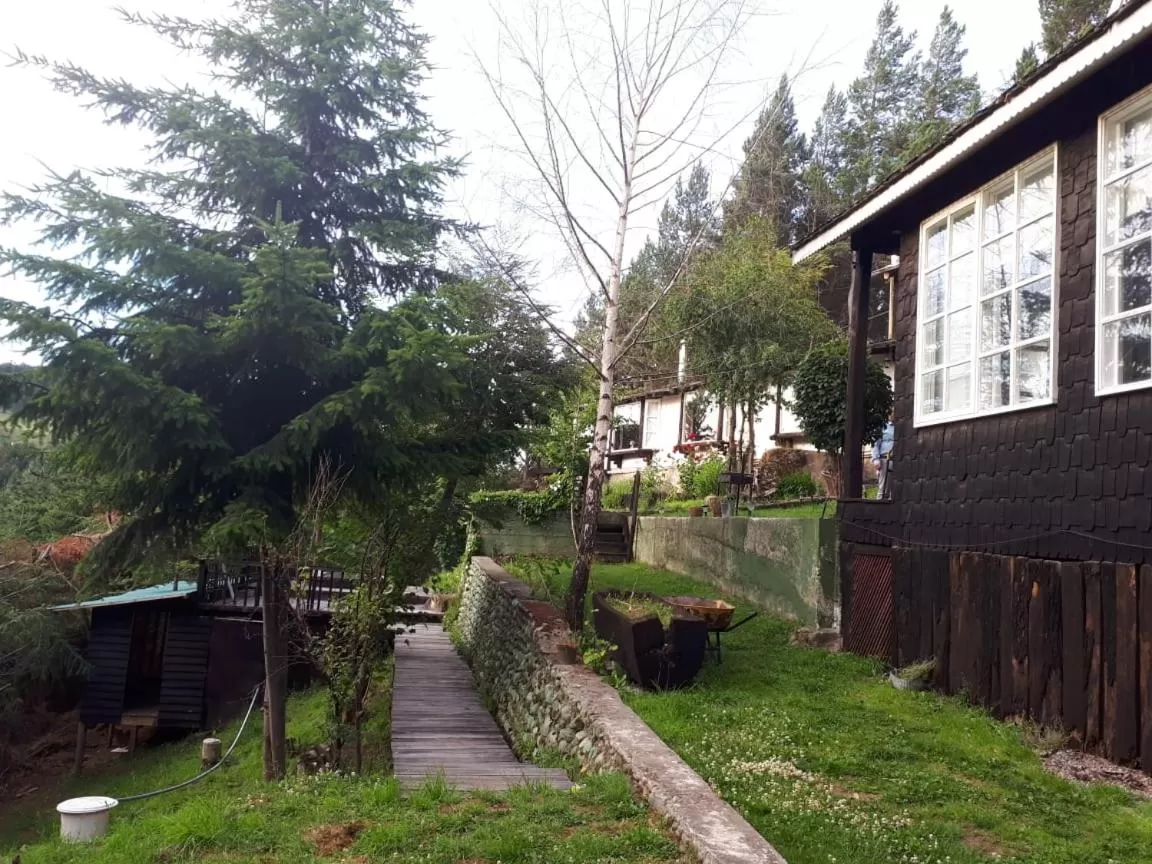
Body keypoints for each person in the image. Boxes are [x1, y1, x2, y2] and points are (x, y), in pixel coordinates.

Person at [872, 420, 894, 499]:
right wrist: (876, 459)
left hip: (898, 460)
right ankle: (878, 509)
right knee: (884, 489)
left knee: (895, 491)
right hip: (885, 459)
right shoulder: (883, 426)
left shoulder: (900, 425)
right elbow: (875, 443)